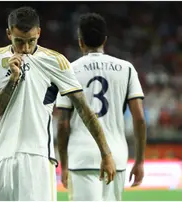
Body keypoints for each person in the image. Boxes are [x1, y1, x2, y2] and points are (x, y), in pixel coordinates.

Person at [0, 6, 116, 201]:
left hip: (38, 157)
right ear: (9, 34)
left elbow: (84, 109)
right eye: (19, 41)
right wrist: (12, 81)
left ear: (39, 33)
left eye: (31, 41)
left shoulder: (56, 61)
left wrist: (106, 153)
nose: (25, 48)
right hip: (1, 157)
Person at [56, 13, 146, 201]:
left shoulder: (68, 70)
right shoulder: (126, 69)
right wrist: (139, 161)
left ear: (80, 42)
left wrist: (63, 164)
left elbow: (63, 124)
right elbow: (139, 119)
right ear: (105, 40)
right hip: (117, 156)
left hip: (81, 156)